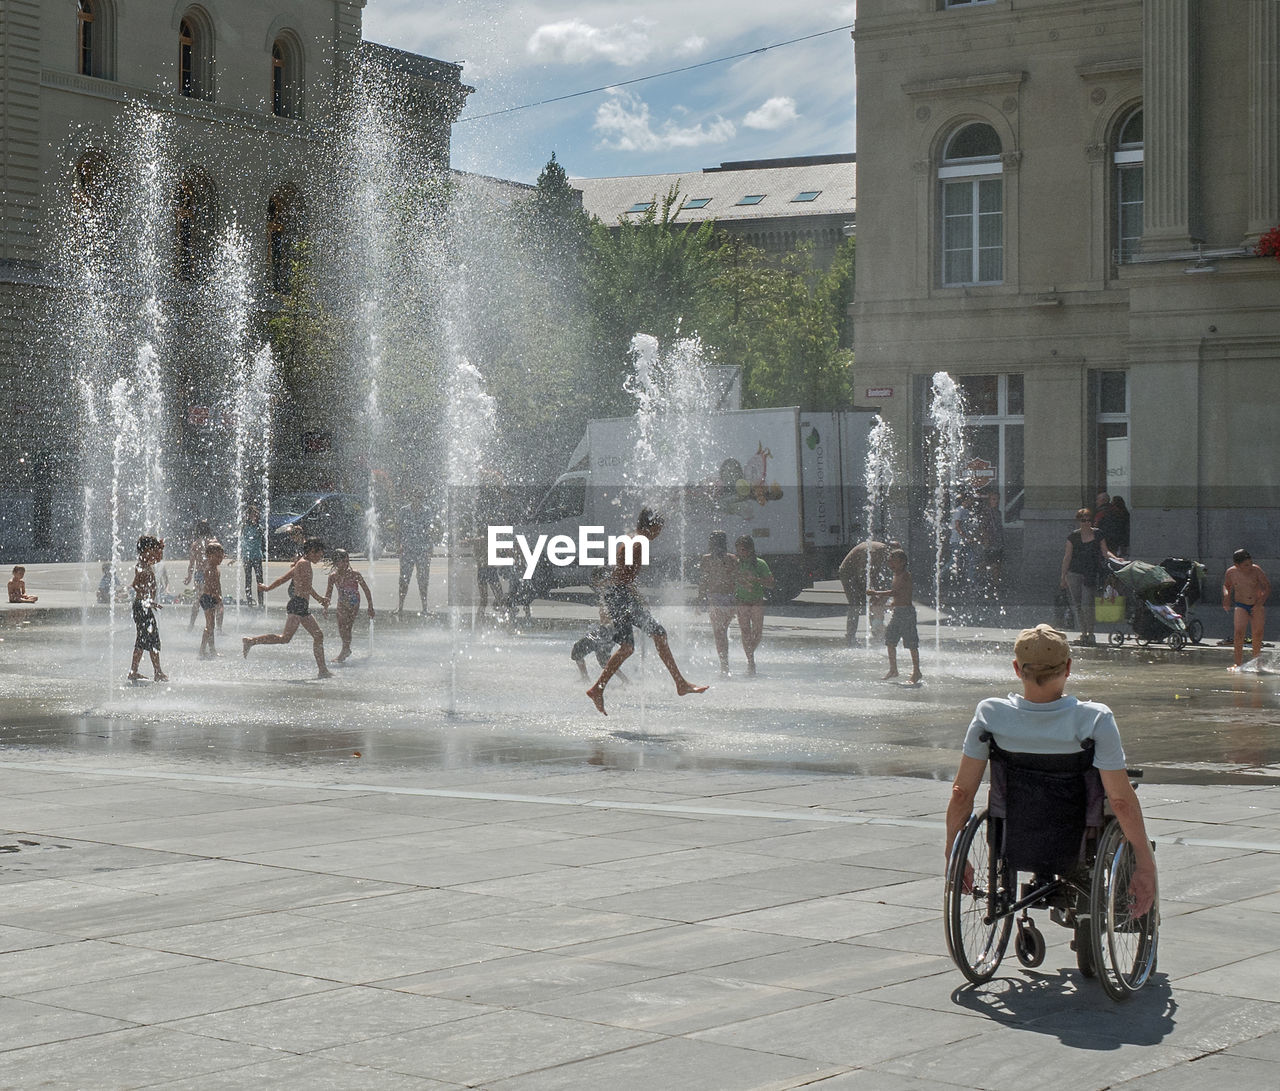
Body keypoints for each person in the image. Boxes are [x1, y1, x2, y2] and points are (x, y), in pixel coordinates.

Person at [944, 624, 1156, 919]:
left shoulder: (991, 715)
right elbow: (1120, 801)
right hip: (1078, 832)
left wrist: (953, 854)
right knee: (1120, 803)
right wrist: (1146, 865)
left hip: (1015, 833)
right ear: (1068, 667)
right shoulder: (1094, 719)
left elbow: (962, 793)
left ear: (1017, 668)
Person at [585, 508, 708, 715]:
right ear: (653, 526)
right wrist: (626, 596)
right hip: (619, 596)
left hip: (619, 595)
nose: (661, 532)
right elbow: (621, 575)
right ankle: (599, 689)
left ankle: (679, 683)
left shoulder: (636, 540)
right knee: (642, 640)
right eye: (660, 527)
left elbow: (621, 574)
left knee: (640, 642)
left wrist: (630, 596)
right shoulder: (638, 542)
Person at [243, 537, 332, 678]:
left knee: (318, 635)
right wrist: (321, 599)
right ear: (311, 551)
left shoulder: (301, 563)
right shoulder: (304, 564)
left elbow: (283, 579)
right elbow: (307, 587)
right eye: (319, 553)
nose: (320, 556)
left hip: (300, 605)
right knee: (285, 638)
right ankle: (251, 641)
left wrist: (267, 588)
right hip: (297, 605)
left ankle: (323, 670)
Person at [1059, 508, 1116, 646]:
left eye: (1088, 520)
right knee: (1078, 605)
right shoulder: (1073, 537)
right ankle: (1083, 633)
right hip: (1073, 573)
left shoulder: (1098, 534)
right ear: (1078, 521)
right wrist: (1063, 576)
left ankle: (1091, 633)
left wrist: (1116, 559)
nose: (1086, 523)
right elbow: (1067, 557)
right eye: (1083, 520)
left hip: (1090, 573)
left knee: (1087, 605)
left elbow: (1105, 551)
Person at [870, 548, 922, 683]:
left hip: (907, 613)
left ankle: (917, 671)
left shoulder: (905, 575)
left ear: (903, 562)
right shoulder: (896, 575)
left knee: (911, 643)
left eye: (893, 562)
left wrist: (876, 593)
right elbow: (899, 595)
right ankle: (893, 670)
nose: (890, 564)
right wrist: (892, 603)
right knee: (890, 641)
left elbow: (895, 592)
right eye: (889, 561)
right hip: (898, 612)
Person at [697, 531, 739, 673]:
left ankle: (724, 664)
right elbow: (736, 580)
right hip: (729, 598)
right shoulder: (732, 558)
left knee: (719, 633)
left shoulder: (706, 559)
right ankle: (725, 664)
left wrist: (700, 600)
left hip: (715, 598)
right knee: (723, 631)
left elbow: (703, 581)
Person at [1223, 548, 1271, 670]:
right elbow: (1226, 585)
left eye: (1250, 563)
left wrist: (1260, 603)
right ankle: (1237, 663)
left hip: (1256, 604)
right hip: (1241, 605)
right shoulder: (1231, 572)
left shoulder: (1256, 570)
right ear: (1237, 565)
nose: (1249, 567)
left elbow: (1267, 587)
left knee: (1258, 633)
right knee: (1239, 633)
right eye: (1246, 565)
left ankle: (1257, 663)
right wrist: (1227, 596)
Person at [128, 535, 168, 682]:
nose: (156, 554)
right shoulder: (141, 566)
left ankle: (140, 671)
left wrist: (150, 602)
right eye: (153, 550)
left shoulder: (146, 564)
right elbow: (135, 585)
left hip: (143, 606)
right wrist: (147, 601)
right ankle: (154, 672)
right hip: (141, 606)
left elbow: (158, 559)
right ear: (145, 551)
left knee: (147, 639)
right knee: (149, 639)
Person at [324, 548, 375, 663]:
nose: (347, 564)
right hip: (341, 602)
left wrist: (370, 606)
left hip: (353, 603)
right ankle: (346, 648)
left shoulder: (355, 574)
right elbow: (328, 593)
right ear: (336, 562)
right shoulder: (333, 576)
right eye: (344, 561)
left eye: (348, 561)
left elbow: (366, 590)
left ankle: (345, 650)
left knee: (348, 627)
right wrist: (325, 607)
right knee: (342, 627)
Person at [838, 538, 891, 645]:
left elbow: (873, 574)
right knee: (855, 605)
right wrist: (873, 593)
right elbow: (863, 574)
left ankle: (877, 633)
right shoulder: (877, 552)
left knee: (874, 603)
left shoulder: (885, 553)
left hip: (859, 572)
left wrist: (880, 595)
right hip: (848, 573)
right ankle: (850, 637)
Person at [734, 534, 774, 676]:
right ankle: (751, 662)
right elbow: (729, 578)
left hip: (756, 600)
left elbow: (771, 583)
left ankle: (750, 653)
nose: (741, 552)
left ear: (751, 549)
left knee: (757, 632)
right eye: (738, 549)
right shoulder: (735, 563)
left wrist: (756, 579)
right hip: (741, 601)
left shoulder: (760, 563)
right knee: (745, 632)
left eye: (744, 549)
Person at [396, 494, 436, 617]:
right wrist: (398, 545)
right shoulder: (404, 510)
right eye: (415, 497)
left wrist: (430, 546)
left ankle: (425, 607)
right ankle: (400, 607)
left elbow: (430, 530)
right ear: (411, 498)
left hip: (422, 551)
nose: (417, 499)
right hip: (407, 550)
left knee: (423, 579)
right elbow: (398, 528)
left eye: (420, 497)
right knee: (404, 579)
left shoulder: (427, 511)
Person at [185, 519, 220, 632]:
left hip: (199, 574)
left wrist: (189, 576)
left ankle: (191, 625)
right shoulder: (213, 543)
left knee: (198, 599)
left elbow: (191, 563)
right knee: (217, 599)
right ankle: (217, 628)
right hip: (211, 574)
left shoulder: (195, 545)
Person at [240, 505, 266, 607]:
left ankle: (261, 602)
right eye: (253, 514)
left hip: (257, 556)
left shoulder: (260, 527)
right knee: (248, 579)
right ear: (249, 515)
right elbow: (242, 542)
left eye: (256, 514)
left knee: (260, 580)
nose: (255, 515)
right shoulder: (245, 527)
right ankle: (249, 600)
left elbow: (261, 536)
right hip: (247, 557)